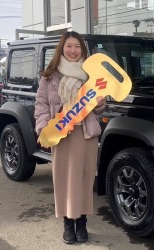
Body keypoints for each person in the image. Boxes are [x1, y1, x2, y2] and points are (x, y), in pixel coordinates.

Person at [34, 31, 106, 245]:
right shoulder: (50, 76)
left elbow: (99, 108)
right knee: (64, 180)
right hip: (61, 137)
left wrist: (101, 103)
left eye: (77, 47)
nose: (73, 51)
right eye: (69, 46)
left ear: (82, 50)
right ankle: (67, 222)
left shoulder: (91, 75)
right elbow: (41, 106)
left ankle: (82, 222)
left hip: (86, 136)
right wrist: (43, 129)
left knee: (84, 179)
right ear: (62, 49)